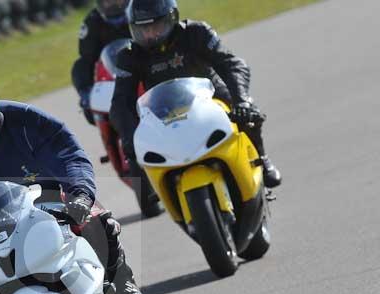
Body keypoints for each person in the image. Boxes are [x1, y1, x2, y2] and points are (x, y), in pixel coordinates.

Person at [0, 73, 143, 294]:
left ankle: (122, 283)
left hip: (50, 200)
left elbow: (68, 154)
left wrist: (81, 194)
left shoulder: (26, 122)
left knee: (98, 219)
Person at [110, 0, 282, 188]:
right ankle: (158, 187)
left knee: (247, 111)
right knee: (137, 150)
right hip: (163, 108)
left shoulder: (196, 32)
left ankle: (261, 159)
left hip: (211, 95)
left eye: (156, 26)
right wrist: (129, 136)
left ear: (171, 18)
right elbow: (120, 101)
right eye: (143, 29)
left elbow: (232, 64)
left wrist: (242, 102)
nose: (150, 33)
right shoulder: (128, 55)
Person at [71, 0, 132, 125]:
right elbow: (86, 59)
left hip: (143, 69)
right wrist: (86, 91)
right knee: (80, 65)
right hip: (109, 78)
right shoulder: (92, 21)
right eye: (108, 1)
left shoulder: (142, 11)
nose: (113, 4)